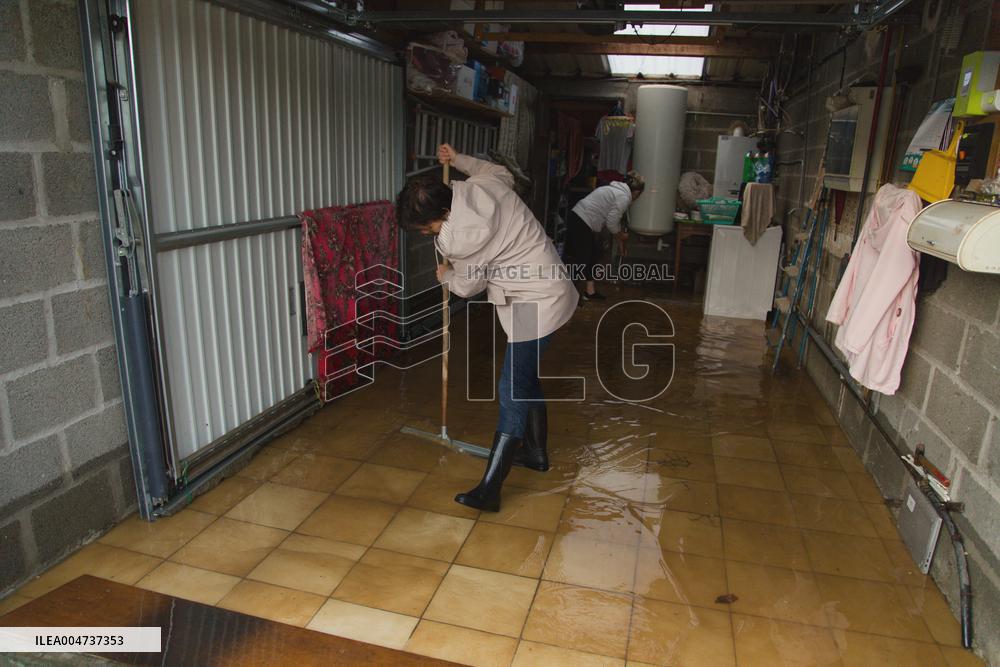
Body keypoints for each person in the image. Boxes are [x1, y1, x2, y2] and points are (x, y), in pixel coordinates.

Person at [395, 144, 579, 512]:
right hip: (543, 283)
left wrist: (447, 276)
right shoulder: (478, 186)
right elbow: (499, 171)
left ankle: (490, 489)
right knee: (524, 377)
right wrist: (458, 159)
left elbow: (469, 285)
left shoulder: (461, 235)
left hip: (535, 298)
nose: (426, 235)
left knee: (511, 385)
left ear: (445, 211)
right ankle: (536, 453)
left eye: (427, 227)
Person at [565, 172, 645, 300]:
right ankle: (569, 295)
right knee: (583, 259)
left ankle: (589, 292)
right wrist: (620, 235)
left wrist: (619, 238)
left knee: (592, 255)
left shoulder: (614, 189)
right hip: (581, 220)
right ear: (637, 193)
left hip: (580, 219)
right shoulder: (623, 197)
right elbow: (612, 222)